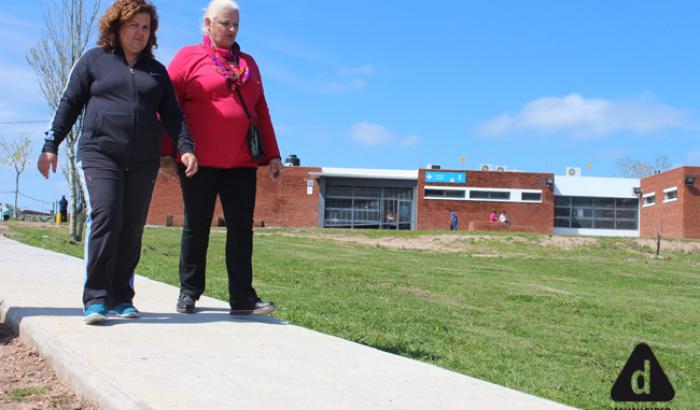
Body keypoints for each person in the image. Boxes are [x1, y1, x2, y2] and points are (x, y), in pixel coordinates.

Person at [37, 0, 198, 324]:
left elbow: (173, 116)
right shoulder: (94, 61)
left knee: (131, 226)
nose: (140, 32)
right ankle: (96, 297)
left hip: (143, 160)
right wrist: (51, 144)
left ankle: (122, 296)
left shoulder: (156, 72)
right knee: (107, 216)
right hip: (100, 154)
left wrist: (186, 147)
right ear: (117, 26)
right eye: (133, 25)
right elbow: (69, 103)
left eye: (145, 27)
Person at [161, 0, 281, 315]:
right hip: (197, 160)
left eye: (235, 25)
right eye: (225, 23)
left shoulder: (249, 63)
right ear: (208, 23)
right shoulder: (188, 57)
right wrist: (167, 151)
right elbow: (168, 105)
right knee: (196, 226)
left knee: (241, 229)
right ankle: (189, 292)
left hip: (241, 162)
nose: (230, 30)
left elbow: (261, 110)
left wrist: (273, 154)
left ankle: (242, 297)